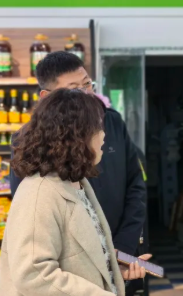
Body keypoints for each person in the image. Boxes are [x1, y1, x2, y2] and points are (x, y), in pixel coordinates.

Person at [0, 90, 146, 296]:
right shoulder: (39, 193)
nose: (104, 135)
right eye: (98, 127)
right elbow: (34, 272)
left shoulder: (77, 184)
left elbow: (75, 256)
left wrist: (111, 268)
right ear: (76, 135)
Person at [10, 51, 148, 260]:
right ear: (47, 97)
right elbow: (28, 212)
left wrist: (123, 247)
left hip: (120, 250)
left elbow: (135, 185)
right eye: (75, 89)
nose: (86, 94)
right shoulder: (29, 139)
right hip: (68, 261)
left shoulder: (112, 122)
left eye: (87, 84)